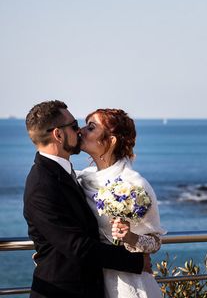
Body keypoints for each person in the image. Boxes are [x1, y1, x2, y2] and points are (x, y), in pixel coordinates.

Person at [23, 100, 149, 298]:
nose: (80, 131)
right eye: (74, 126)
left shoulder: (70, 173)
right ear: (58, 134)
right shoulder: (41, 184)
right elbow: (77, 246)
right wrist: (137, 262)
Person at [77, 108, 165, 298]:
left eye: (91, 128)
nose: (81, 130)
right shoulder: (81, 179)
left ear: (111, 140)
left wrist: (130, 237)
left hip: (127, 280)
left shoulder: (134, 184)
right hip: (90, 278)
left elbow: (155, 242)